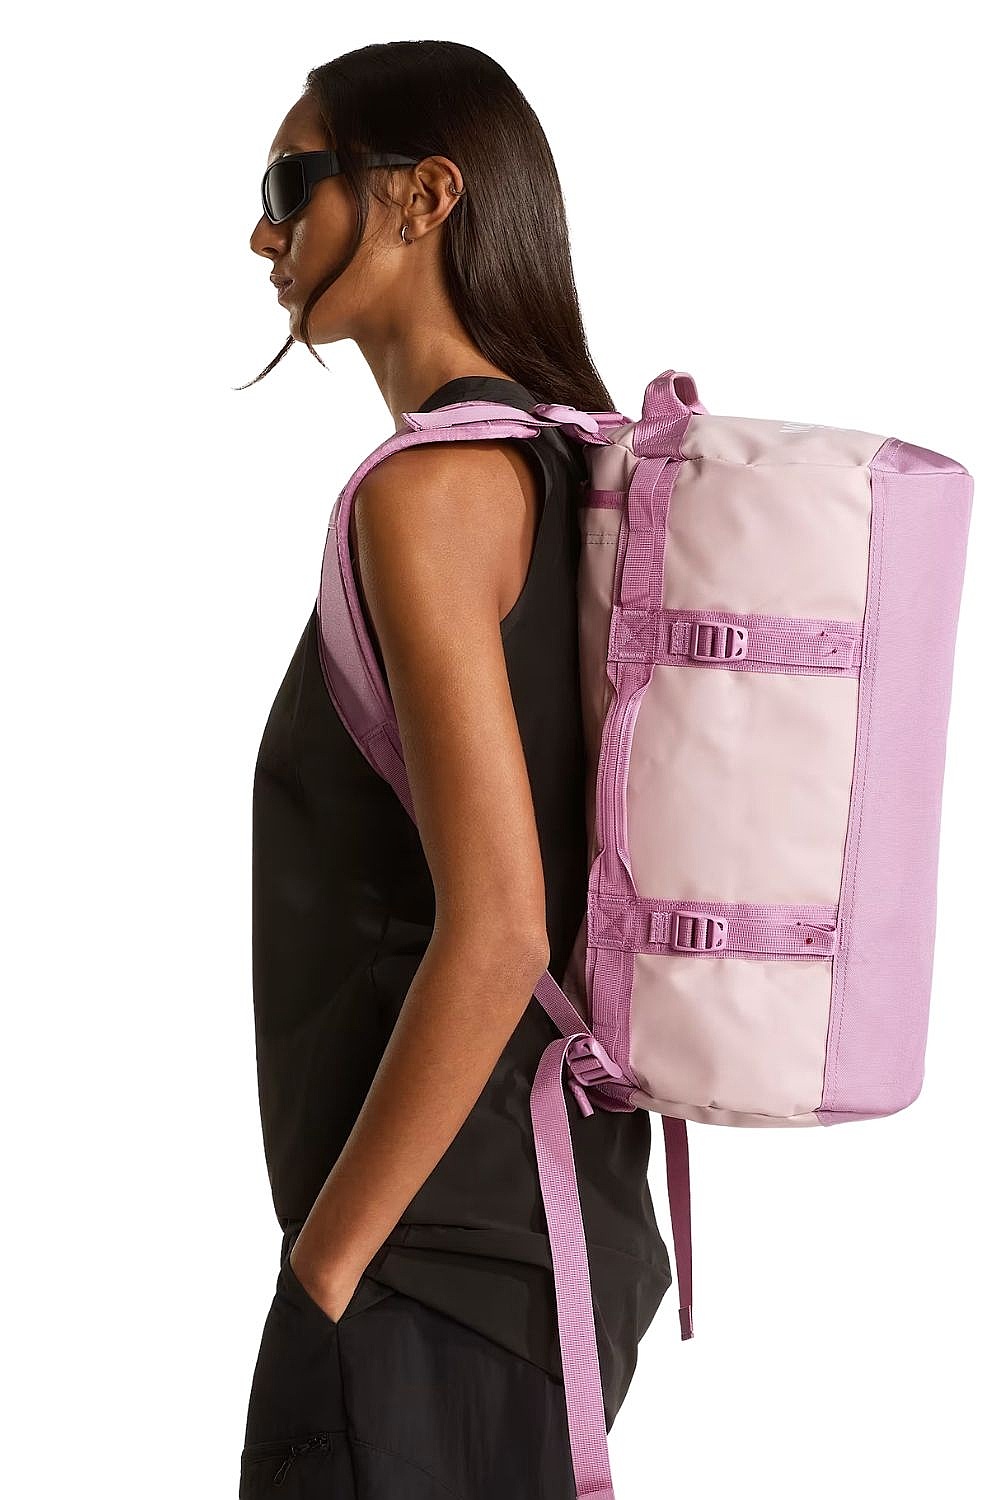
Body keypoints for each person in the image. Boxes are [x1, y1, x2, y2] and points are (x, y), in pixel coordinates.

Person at [241, 39, 672, 1498]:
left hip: (428, 1269)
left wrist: (325, 1271)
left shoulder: (428, 495)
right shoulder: (574, 474)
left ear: (426, 196)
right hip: (554, 1247)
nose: (262, 237)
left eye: (290, 186)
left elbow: (498, 932)